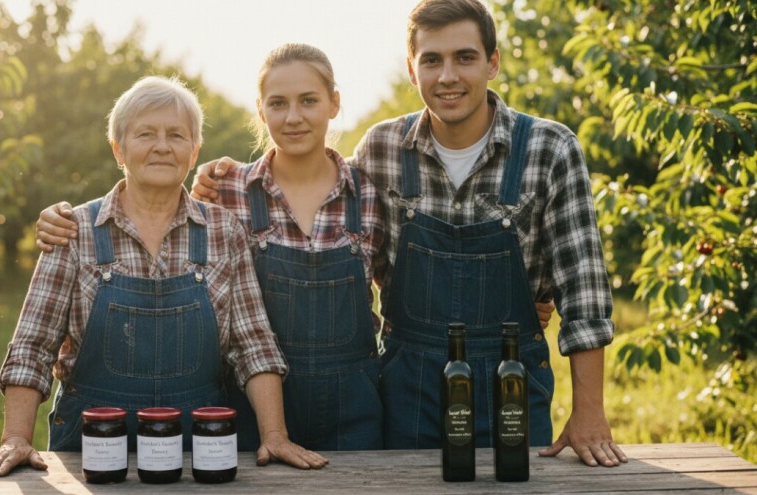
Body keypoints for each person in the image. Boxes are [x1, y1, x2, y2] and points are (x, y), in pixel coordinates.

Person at [188, 0, 627, 467]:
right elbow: (324, 207)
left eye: (465, 57)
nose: (448, 76)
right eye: (432, 60)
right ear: (412, 71)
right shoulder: (382, 150)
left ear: (493, 62)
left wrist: (589, 412)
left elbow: (584, 291)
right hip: (408, 389)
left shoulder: (550, 148)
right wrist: (224, 179)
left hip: (512, 383)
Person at [0, 76, 327, 478]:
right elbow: (33, 345)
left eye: (176, 135)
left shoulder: (223, 232)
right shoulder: (76, 230)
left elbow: (253, 345)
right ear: (117, 148)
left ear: (193, 153)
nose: (162, 145)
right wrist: (16, 438)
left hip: (201, 451)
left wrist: (274, 435)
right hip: (91, 450)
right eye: (145, 134)